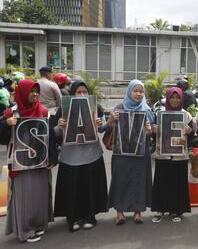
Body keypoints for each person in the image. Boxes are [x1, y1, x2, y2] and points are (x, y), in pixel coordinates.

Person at [0, 79, 53, 243]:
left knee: (39, 195)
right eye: (31, 91)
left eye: (37, 90)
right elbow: (3, 140)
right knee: (24, 197)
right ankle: (24, 229)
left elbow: (49, 137)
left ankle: (37, 224)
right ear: (23, 92)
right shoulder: (12, 113)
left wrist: (52, 157)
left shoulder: (43, 111)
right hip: (20, 164)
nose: (35, 94)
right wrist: (6, 125)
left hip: (40, 161)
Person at [52, 80, 108, 232]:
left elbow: (103, 128)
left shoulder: (96, 107)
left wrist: (99, 123)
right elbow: (54, 132)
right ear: (72, 93)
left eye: (85, 92)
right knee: (73, 188)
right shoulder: (63, 109)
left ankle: (90, 216)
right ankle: (73, 217)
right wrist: (60, 126)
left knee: (89, 187)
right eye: (79, 92)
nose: (82, 94)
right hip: (71, 157)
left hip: (92, 155)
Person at [107, 79, 153, 225]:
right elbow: (104, 129)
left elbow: (151, 133)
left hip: (140, 152)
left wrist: (148, 131)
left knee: (138, 180)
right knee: (120, 179)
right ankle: (119, 212)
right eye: (135, 90)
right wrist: (110, 121)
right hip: (121, 152)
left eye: (141, 91)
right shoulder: (118, 108)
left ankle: (137, 212)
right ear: (129, 91)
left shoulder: (146, 110)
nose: (138, 94)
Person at [151, 87, 194, 223]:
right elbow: (154, 134)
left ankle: (177, 210)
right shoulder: (160, 114)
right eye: (172, 97)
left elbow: (193, 136)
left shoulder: (186, 115)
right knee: (161, 182)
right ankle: (160, 209)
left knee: (178, 184)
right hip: (163, 155)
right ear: (168, 98)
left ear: (181, 99)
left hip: (179, 156)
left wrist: (189, 131)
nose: (175, 100)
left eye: (178, 98)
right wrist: (154, 130)